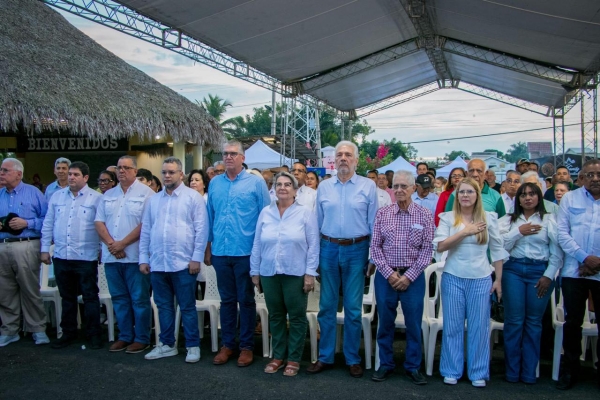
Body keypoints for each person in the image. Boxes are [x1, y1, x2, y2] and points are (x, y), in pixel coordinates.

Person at [307, 141, 378, 378]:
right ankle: (325, 356)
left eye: (348, 154)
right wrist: (315, 257)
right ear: (334, 160)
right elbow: (316, 224)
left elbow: (374, 224)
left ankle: (352, 358)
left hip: (357, 249)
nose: (343, 158)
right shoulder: (324, 187)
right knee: (326, 306)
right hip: (328, 248)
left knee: (353, 308)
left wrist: (372, 256)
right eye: (339, 155)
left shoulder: (368, 186)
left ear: (356, 160)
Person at [434, 177, 507, 387]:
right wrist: (465, 232)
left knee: (479, 327)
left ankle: (478, 371)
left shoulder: (488, 218)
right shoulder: (448, 217)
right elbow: (440, 246)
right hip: (453, 276)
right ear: (456, 195)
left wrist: (498, 279)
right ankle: (451, 369)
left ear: (477, 195)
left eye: (470, 192)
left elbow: (497, 250)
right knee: (453, 326)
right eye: (462, 192)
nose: (465, 195)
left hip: (481, 278)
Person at [206, 140, 270, 367]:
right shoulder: (215, 183)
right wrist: (208, 247)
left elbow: (266, 218)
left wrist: (260, 254)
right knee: (227, 300)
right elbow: (210, 217)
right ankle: (228, 345)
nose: (228, 157)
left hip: (246, 252)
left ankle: (246, 347)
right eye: (225, 154)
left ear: (243, 158)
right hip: (221, 252)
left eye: (233, 154)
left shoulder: (256, 183)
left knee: (246, 300)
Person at [140, 157, 208, 363]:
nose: (167, 176)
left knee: (187, 306)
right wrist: (143, 258)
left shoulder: (192, 198)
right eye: (164, 172)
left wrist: (196, 258)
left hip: (184, 263)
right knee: (164, 306)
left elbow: (201, 230)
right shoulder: (154, 200)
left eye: (171, 172)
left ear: (181, 174)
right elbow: (146, 230)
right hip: (159, 262)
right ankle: (167, 344)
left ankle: (192, 346)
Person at [250, 172, 319, 376]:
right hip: (269, 272)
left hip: (295, 272)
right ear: (273, 189)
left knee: (297, 317)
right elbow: (257, 243)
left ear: (295, 190)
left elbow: (313, 246)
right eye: (278, 184)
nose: (282, 187)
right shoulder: (265, 213)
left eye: (287, 184)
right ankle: (278, 356)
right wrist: (255, 271)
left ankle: (294, 358)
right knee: (276, 316)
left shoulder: (305, 213)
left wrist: (310, 273)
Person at [370, 170, 434, 385]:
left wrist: (408, 277)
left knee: (413, 324)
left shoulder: (424, 214)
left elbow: (427, 250)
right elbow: (375, 248)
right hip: (386, 276)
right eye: (395, 186)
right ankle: (385, 364)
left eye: (403, 186)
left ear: (414, 188)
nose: (399, 190)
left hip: (413, 278)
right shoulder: (383, 213)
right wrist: (389, 274)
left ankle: (413, 366)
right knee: (385, 323)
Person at [499, 182, 563, 384]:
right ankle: (511, 372)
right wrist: (519, 231)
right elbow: (500, 246)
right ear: (518, 199)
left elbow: (557, 252)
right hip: (513, 270)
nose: (528, 198)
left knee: (533, 322)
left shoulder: (549, 219)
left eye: (532, 194)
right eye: (523, 195)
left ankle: (529, 373)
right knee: (514, 321)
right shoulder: (508, 220)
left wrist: (549, 275)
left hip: (539, 272)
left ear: (539, 197)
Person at [95, 156, 155, 354]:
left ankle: (142, 338)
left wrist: (123, 243)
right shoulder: (108, 194)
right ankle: (125, 336)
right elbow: (99, 222)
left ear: (135, 171)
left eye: (126, 168)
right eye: (119, 168)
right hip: (112, 256)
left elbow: (146, 224)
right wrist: (112, 245)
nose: (121, 171)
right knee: (119, 298)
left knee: (139, 299)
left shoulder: (146, 194)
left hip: (135, 257)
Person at [41, 161, 103, 350]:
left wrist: (102, 249)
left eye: (76, 174)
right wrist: (44, 249)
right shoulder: (57, 196)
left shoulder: (96, 198)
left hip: (86, 257)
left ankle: (93, 334)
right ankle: (68, 333)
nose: (71, 177)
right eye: (70, 174)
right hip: (62, 255)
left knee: (90, 297)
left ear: (86, 177)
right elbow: (48, 223)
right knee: (67, 297)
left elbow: (102, 226)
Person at [556, 159, 600, 390]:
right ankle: (570, 370)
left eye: (599, 174)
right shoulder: (570, 199)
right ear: (582, 177)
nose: (595, 179)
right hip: (574, 271)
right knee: (572, 322)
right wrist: (584, 258)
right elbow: (562, 233)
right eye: (590, 175)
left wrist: (596, 263)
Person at [0, 158, 50, 347]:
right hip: (2, 245)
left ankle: (37, 328)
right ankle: (9, 330)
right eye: (1, 170)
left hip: (26, 244)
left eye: (5, 170)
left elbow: (47, 219)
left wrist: (27, 223)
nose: (1, 173)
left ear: (19, 174)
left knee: (30, 289)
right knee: (5, 291)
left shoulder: (34, 193)